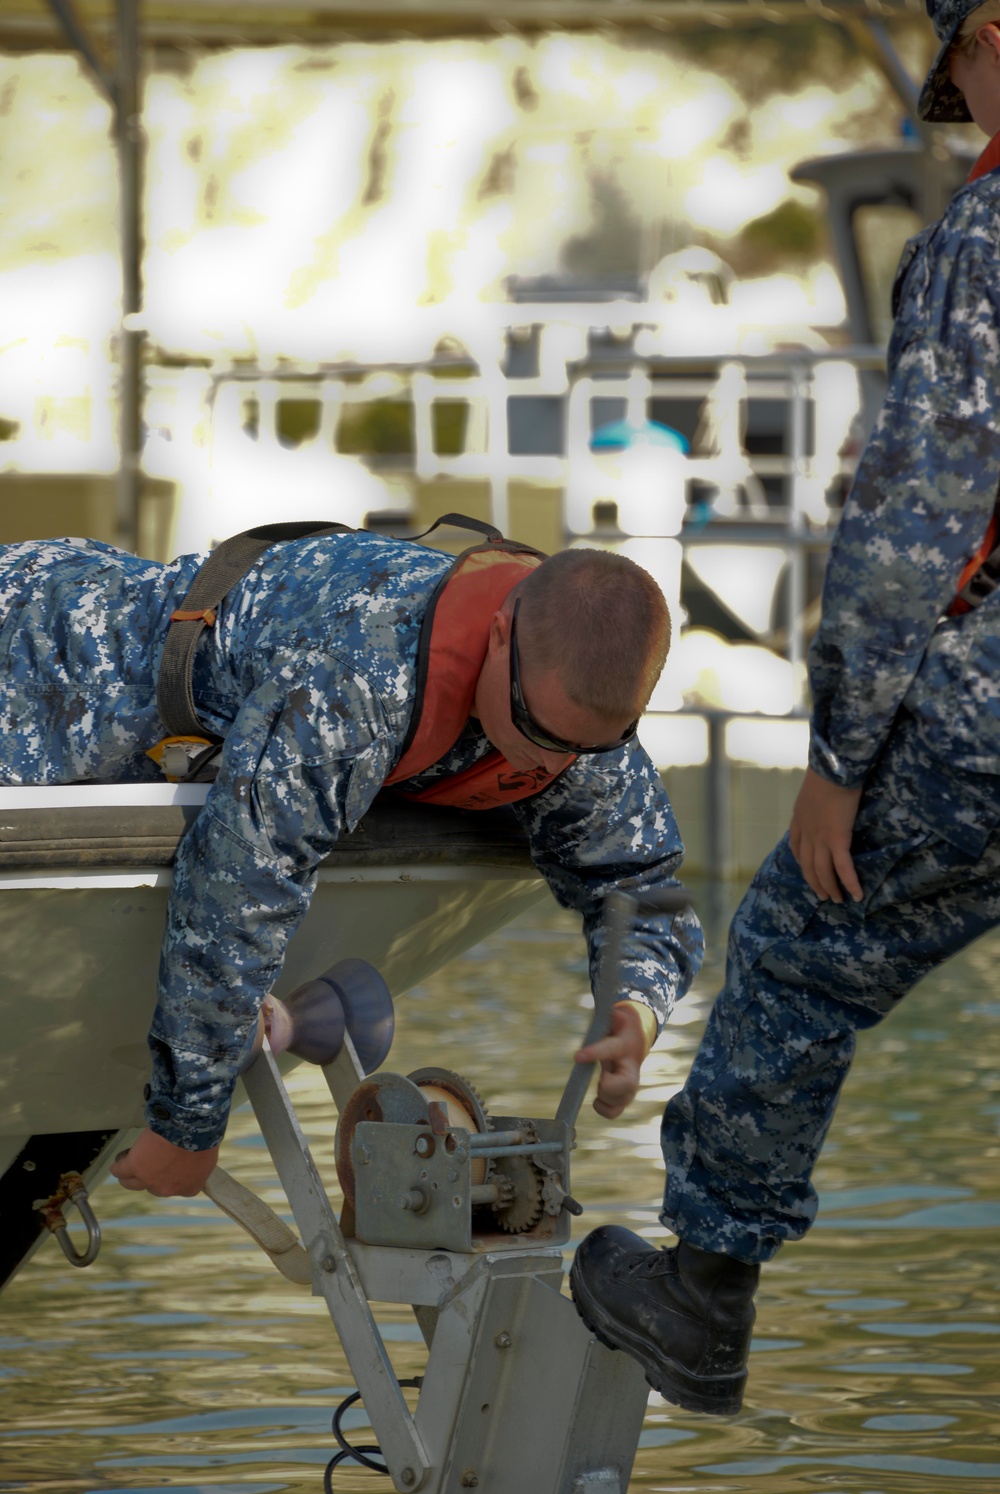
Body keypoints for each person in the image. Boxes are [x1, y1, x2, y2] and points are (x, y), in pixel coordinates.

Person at [571, 0, 1000, 1418]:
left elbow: (913, 520)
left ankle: (704, 1296)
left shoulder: (979, 239)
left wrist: (839, 756)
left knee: (801, 951)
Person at [0, 523, 703, 1197]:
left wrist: (636, 1008)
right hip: (44, 653)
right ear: (497, 635)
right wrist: (188, 1125)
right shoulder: (359, 674)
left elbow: (640, 882)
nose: (551, 762)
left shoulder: (574, 711)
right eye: (534, 728)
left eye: (586, 746)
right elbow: (239, 887)